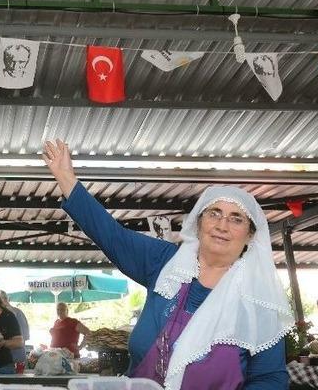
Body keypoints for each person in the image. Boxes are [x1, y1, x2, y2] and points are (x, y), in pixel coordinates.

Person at [42, 139, 293, 390]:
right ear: (199, 222)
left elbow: (269, 378)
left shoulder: (258, 299)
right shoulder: (165, 262)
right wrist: (66, 178)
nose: (222, 225)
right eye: (214, 213)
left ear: (250, 235)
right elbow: (113, 236)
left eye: (236, 218)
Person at [0, 290, 30, 367]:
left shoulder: (10, 314)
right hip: (17, 360)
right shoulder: (19, 312)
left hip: (11, 360)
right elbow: (26, 336)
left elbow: (21, 340)